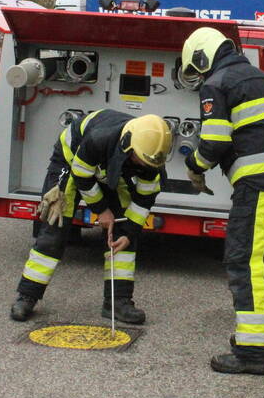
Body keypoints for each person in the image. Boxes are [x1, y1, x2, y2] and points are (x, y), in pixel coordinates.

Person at [180, 27, 264, 375]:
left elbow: (215, 140)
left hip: (258, 181)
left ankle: (252, 352)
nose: (200, 76)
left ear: (203, 57)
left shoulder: (216, 83)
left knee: (246, 260)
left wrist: (194, 166)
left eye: (198, 68)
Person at [10, 110, 172, 325]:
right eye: (139, 160)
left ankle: (117, 303)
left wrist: (130, 232)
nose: (143, 166)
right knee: (54, 231)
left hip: (109, 167)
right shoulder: (99, 139)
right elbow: (82, 175)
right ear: (127, 144)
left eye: (147, 163)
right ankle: (27, 296)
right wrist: (101, 210)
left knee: (122, 236)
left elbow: (144, 199)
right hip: (72, 162)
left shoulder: (150, 156)